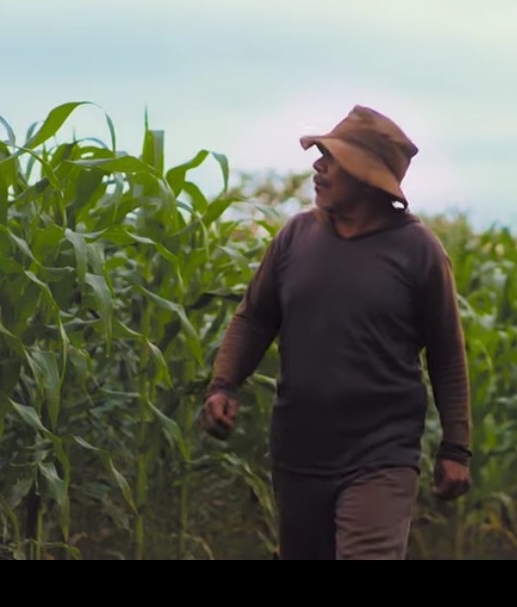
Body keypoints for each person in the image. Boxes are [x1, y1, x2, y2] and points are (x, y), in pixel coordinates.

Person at [199, 104, 472, 560]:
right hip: (299, 451)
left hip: (382, 455)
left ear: (367, 178)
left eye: (333, 159)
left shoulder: (418, 252)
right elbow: (254, 317)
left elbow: (447, 354)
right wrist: (224, 384)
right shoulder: (295, 238)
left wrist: (456, 448)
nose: (317, 166)